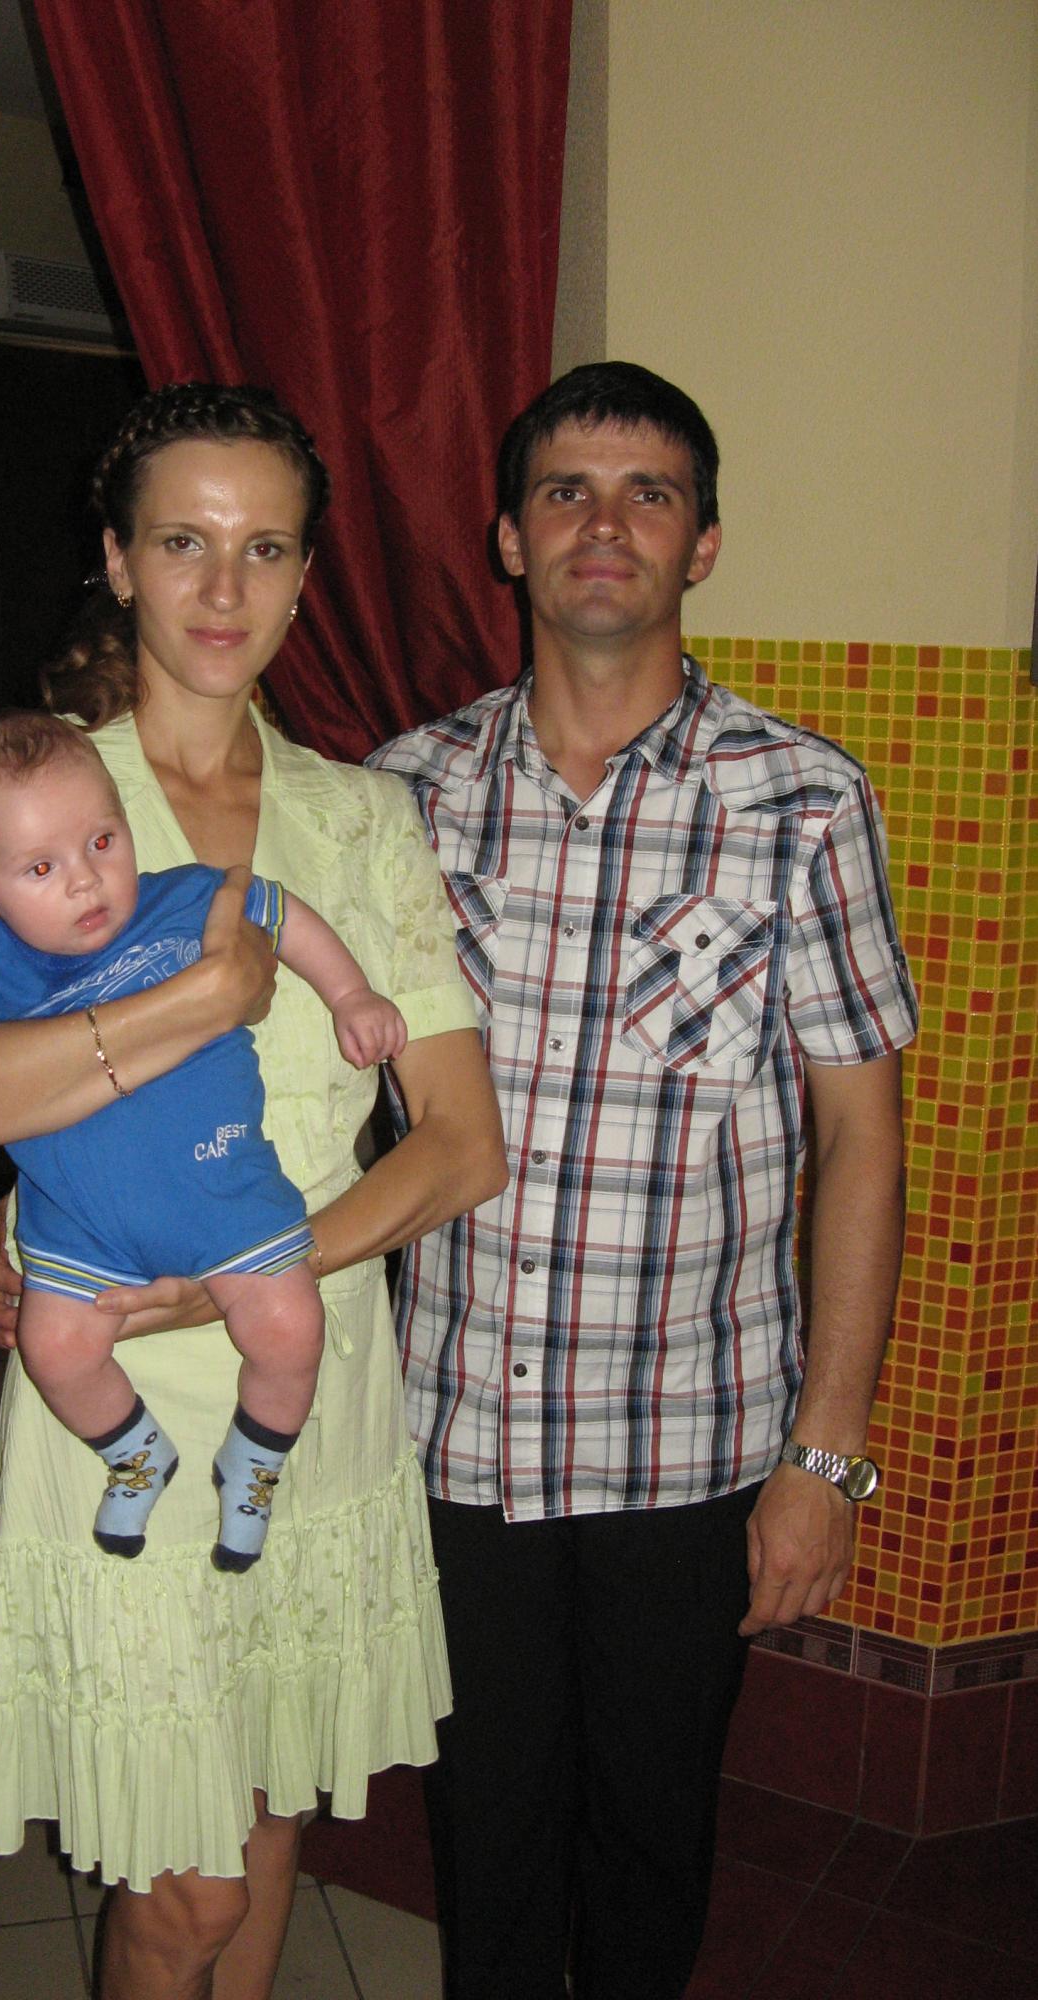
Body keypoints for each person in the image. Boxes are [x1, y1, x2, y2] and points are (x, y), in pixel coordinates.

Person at [0, 382, 508, 2000]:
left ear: (305, 578)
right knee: (186, 1893)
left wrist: (254, 1262)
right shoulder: (27, 798)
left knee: (270, 1812)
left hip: (309, 1367)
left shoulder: (362, 820)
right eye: (183, 542)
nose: (225, 589)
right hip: (117, 1388)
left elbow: (459, 1141)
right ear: (117, 560)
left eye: (265, 549)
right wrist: (192, 1003)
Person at [367, 361, 917, 2000]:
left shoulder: (802, 803)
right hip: (451, 1435)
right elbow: (290, 1101)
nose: (604, 525)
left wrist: (827, 1457)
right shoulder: (401, 797)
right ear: (509, 539)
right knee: (485, 1836)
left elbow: (861, 1138)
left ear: (704, 544)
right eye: (567, 492)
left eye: (648, 495)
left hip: (690, 1450)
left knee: (653, 1840)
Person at [0, 709, 406, 1572]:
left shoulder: (181, 899)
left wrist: (350, 994)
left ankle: (255, 1462)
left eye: (102, 842)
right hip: (79, 1225)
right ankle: (135, 1453)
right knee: (53, 1348)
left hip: (226, 1195)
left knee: (290, 1327)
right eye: (41, 867)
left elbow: (284, 915)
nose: (86, 880)